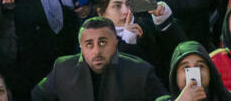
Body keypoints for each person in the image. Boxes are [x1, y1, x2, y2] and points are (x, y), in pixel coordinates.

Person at [30, 16, 167, 101]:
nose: (96, 51)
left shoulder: (140, 72)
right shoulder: (63, 68)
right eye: (89, 44)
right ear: (81, 47)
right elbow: (37, 96)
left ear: (115, 42)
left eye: (103, 42)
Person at [161, 41, 231, 101]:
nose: (193, 73)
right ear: (175, 76)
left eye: (200, 66)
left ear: (210, 72)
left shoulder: (229, 99)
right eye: (186, 67)